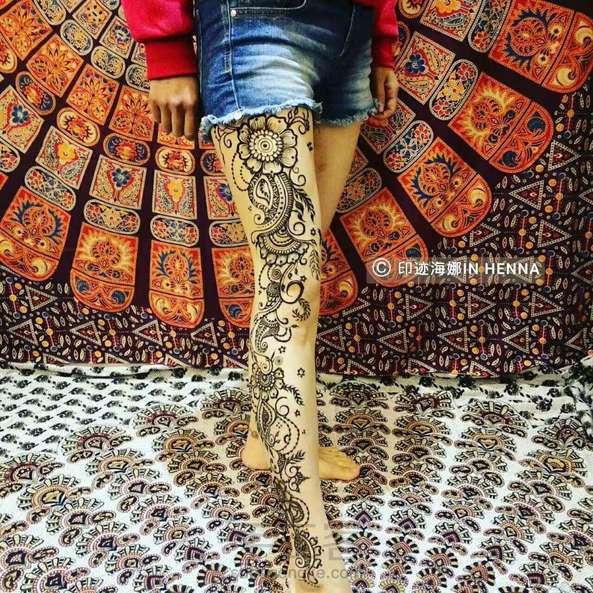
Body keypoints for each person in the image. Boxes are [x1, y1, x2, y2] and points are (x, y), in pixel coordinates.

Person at [119, 0, 399, 590]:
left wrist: (381, 35)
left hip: (350, 33)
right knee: (291, 286)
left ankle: (261, 436)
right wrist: (166, 47)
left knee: (295, 275)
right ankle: (311, 554)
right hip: (257, 23)